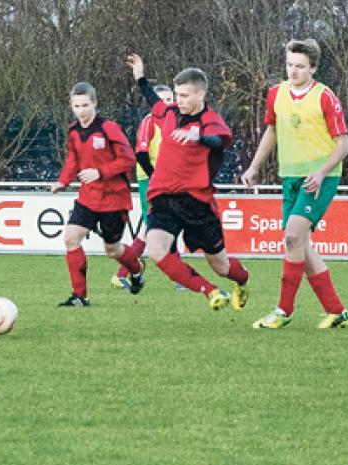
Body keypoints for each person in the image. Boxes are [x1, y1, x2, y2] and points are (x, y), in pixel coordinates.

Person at [125, 54, 250, 311]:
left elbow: (219, 140)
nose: (178, 100)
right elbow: (153, 102)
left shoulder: (211, 121)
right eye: (176, 94)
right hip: (164, 198)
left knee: (221, 266)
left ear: (201, 95)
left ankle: (242, 279)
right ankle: (211, 291)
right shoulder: (169, 114)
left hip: (197, 203)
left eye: (184, 95)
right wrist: (140, 77)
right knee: (157, 251)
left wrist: (198, 135)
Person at [241, 38, 348, 330]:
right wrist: (254, 166)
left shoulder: (326, 97)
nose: (293, 71)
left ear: (313, 68)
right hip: (289, 177)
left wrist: (321, 171)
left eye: (300, 66)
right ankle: (336, 310)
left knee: (292, 237)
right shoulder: (276, 94)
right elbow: (271, 132)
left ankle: (283, 309)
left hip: (320, 178)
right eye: (289, 64)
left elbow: (343, 145)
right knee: (300, 243)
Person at [53, 81, 144, 307]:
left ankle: (137, 269)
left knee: (112, 250)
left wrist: (100, 172)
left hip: (114, 199)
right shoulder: (73, 132)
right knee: (71, 238)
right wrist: (62, 181)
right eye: (76, 106)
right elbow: (73, 160)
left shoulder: (109, 128)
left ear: (95, 104)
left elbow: (128, 159)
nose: (81, 111)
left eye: (85, 105)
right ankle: (80, 297)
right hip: (88, 198)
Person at [111, 84, 176, 290]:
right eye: (163, 100)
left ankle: (121, 274)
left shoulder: (175, 122)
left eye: (170, 99)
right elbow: (141, 153)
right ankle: (178, 278)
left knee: (152, 229)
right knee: (159, 226)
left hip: (166, 179)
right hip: (149, 179)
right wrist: (155, 177)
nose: (167, 104)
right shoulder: (149, 122)